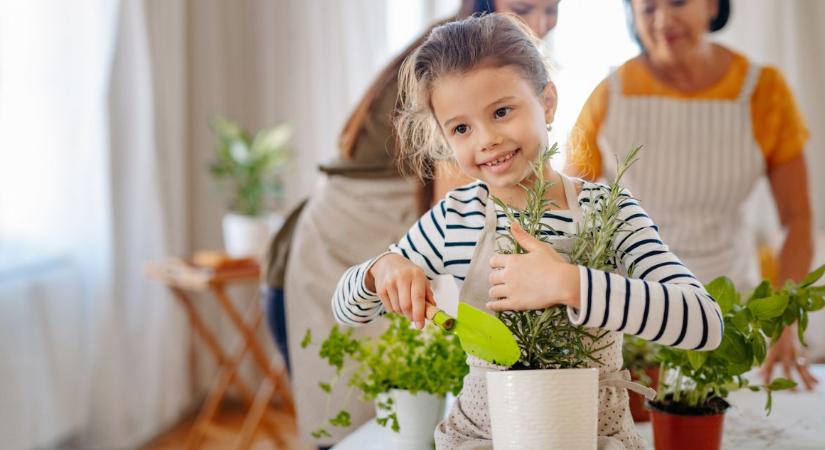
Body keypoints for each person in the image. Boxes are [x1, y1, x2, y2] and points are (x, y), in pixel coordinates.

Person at [332, 13, 723, 450]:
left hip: (592, 438)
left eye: (502, 111)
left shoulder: (609, 211)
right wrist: (381, 270)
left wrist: (571, 285)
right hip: (482, 439)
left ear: (547, 103)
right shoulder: (455, 220)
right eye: (461, 128)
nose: (486, 139)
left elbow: (704, 323)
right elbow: (348, 309)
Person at [264, 2, 561, 448]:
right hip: (338, 244)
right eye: (523, 8)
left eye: (551, 10)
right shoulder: (458, 62)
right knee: (349, 421)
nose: (538, 23)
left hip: (376, 230)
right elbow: (458, 212)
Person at [567, 0, 817, 389]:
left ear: (712, 5)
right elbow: (567, 208)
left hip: (732, 317)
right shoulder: (609, 94)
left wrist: (783, 322)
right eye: (648, 8)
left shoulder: (764, 91)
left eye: (678, 2)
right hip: (636, 313)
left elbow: (797, 219)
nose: (663, 19)